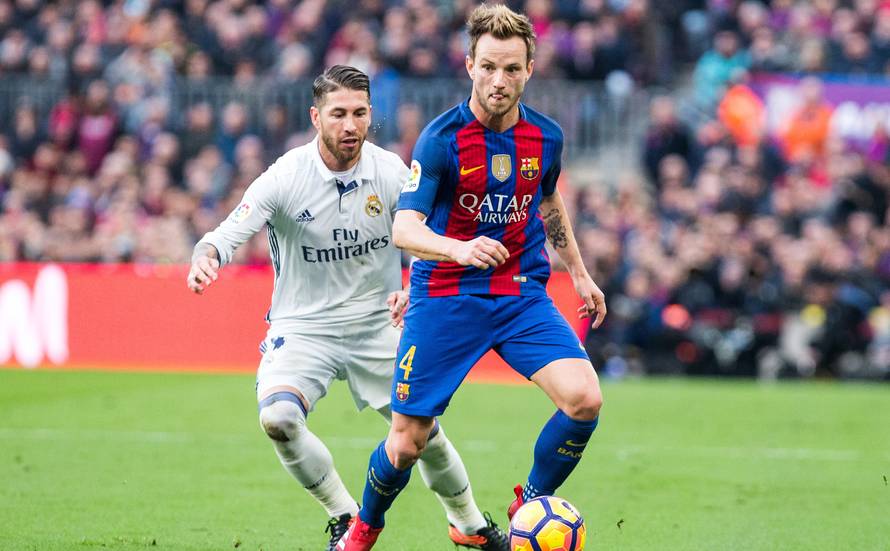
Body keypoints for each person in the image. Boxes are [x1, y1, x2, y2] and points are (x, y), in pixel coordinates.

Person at [187, 65, 509, 551]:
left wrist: (415, 282)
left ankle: (469, 525)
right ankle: (344, 515)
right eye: (338, 114)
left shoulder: (391, 171)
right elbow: (225, 234)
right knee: (277, 419)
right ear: (316, 117)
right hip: (303, 326)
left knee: (421, 435)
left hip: (377, 321)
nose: (350, 125)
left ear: (370, 115)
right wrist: (205, 258)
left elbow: (430, 236)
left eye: (359, 113)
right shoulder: (285, 176)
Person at [337, 6, 606, 550]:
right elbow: (405, 228)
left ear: (529, 69)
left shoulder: (546, 139)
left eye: (511, 69)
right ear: (468, 66)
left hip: (520, 294)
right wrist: (458, 249)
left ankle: (528, 507)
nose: (498, 81)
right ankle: (362, 531)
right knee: (407, 441)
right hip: (445, 295)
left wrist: (579, 273)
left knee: (584, 399)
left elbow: (548, 200)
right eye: (488, 67)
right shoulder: (441, 140)